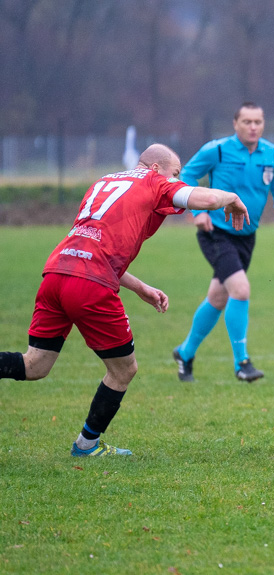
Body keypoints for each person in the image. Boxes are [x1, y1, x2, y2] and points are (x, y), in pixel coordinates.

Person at [0, 144, 249, 456]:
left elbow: (91, 245)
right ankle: (86, 445)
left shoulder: (104, 182)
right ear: (156, 169)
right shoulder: (154, 181)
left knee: (34, 364)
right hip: (89, 286)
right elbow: (209, 199)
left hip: (57, 272)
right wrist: (233, 198)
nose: (179, 180)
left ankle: (87, 444)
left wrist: (140, 287)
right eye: (176, 174)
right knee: (123, 370)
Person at [172, 102, 274, 383]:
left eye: (258, 122)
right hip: (216, 232)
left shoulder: (272, 153)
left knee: (218, 297)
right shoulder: (218, 149)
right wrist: (198, 213)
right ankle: (242, 363)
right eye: (247, 122)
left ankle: (185, 353)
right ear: (235, 124)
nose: (253, 127)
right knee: (240, 289)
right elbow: (185, 176)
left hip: (247, 236)